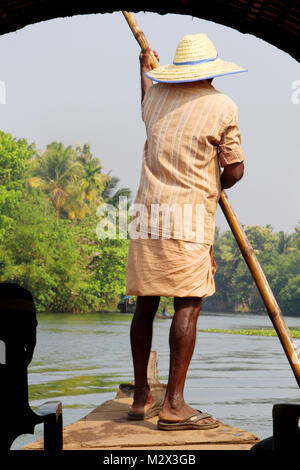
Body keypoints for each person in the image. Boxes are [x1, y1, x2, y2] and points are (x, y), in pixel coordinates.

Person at [126, 34, 246, 430]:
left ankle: (142, 395)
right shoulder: (223, 105)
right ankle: (173, 405)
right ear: (211, 70)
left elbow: (147, 88)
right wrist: (216, 179)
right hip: (188, 219)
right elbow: (234, 170)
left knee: (146, 304)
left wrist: (142, 66)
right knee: (187, 305)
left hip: (147, 215)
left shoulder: (156, 98)